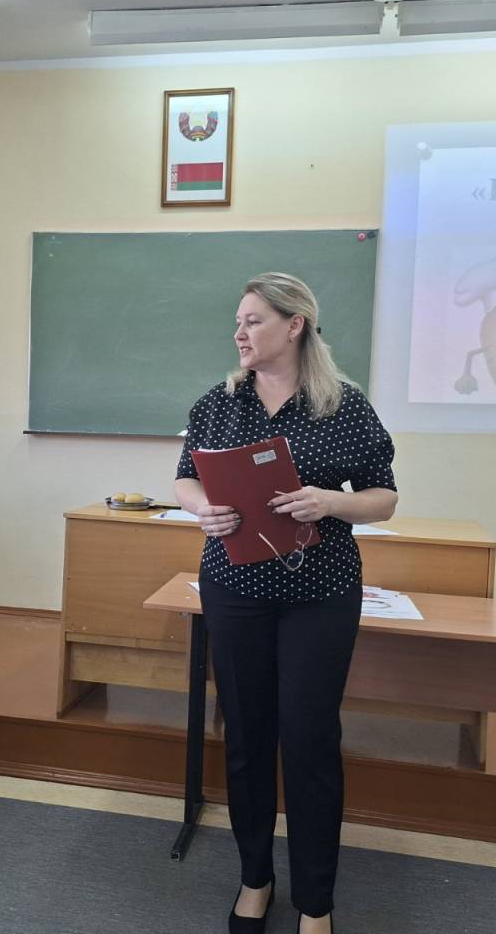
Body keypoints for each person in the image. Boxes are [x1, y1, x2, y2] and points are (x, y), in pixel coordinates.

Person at [174, 273, 397, 934]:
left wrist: (331, 502)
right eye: (238, 322)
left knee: (309, 741)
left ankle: (315, 903)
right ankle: (255, 879)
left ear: (294, 325)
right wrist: (202, 509)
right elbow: (185, 478)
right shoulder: (219, 403)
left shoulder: (343, 405)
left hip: (318, 596)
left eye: (253, 321)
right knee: (246, 736)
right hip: (235, 589)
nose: (239, 333)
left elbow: (384, 497)